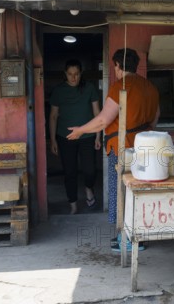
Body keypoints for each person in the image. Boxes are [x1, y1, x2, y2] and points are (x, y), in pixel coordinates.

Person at [66, 48, 160, 251]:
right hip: (145, 148)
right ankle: (139, 237)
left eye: (115, 66)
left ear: (117, 66)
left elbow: (103, 120)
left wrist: (80, 130)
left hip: (122, 148)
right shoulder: (150, 87)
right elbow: (155, 118)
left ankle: (125, 239)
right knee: (138, 192)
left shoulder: (120, 87)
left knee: (121, 193)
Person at [49, 59, 101, 215]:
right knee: (69, 172)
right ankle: (73, 204)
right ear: (65, 74)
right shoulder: (59, 91)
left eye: (76, 74)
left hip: (88, 136)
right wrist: (53, 140)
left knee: (90, 170)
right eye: (70, 74)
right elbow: (53, 116)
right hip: (65, 138)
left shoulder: (89, 88)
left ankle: (88, 188)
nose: (73, 78)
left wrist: (98, 136)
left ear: (81, 74)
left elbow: (97, 114)